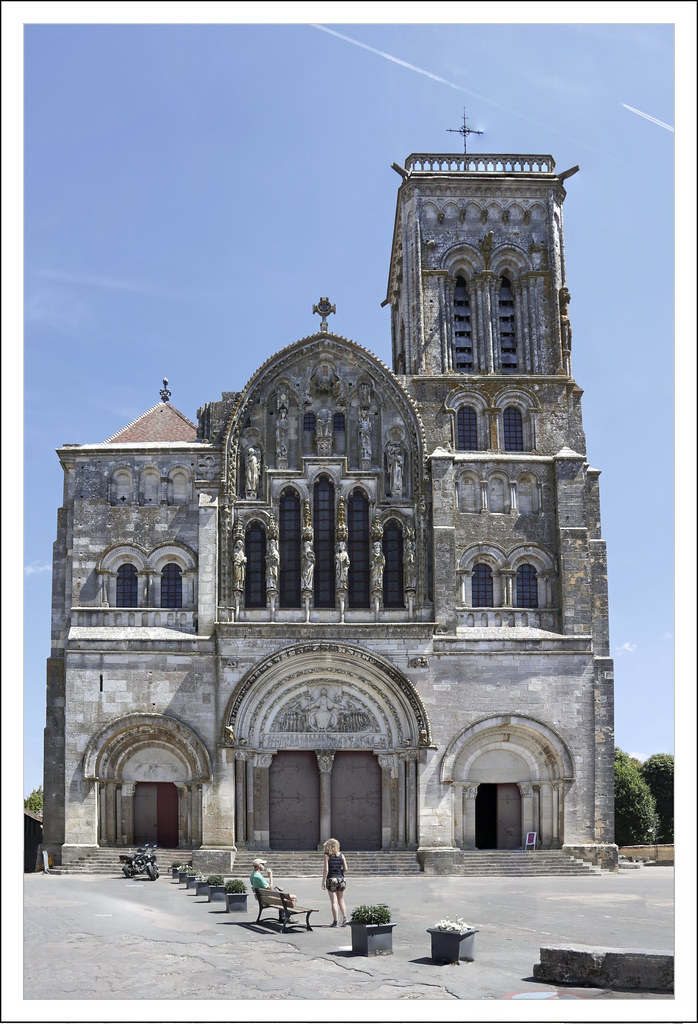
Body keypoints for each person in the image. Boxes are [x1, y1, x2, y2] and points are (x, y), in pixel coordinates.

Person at [321, 837, 348, 927]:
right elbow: (346, 869)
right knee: (341, 900)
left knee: (334, 901)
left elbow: (326, 870)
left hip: (331, 879)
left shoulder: (327, 856)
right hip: (341, 879)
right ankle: (344, 919)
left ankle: (335, 921)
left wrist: (323, 881)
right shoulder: (341, 855)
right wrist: (340, 873)